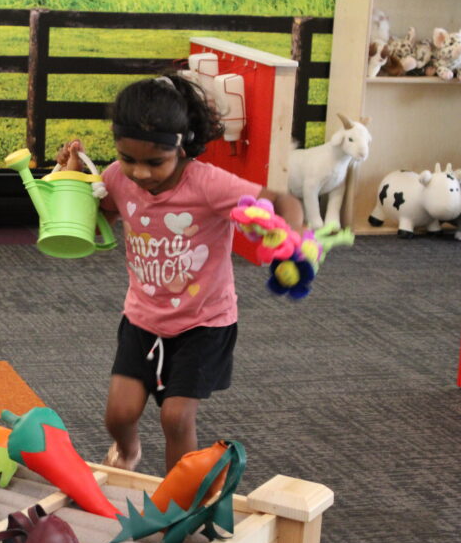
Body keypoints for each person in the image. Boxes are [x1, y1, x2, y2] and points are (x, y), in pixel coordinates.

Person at [58, 74, 304, 472]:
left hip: (204, 323)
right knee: (118, 415)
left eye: (155, 162)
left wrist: (290, 238)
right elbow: (93, 216)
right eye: (128, 158)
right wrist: (71, 177)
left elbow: (281, 201)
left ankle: (180, 498)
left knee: (176, 417)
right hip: (142, 318)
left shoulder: (208, 184)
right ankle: (129, 450)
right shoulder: (116, 180)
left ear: (182, 145)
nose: (140, 172)